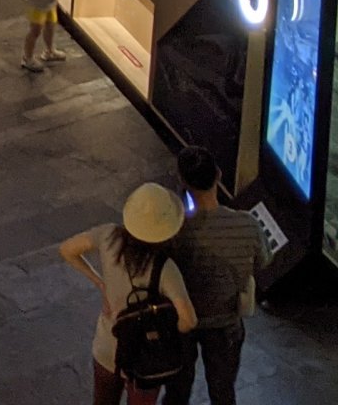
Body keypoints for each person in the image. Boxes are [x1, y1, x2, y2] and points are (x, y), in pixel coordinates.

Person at [61, 183, 199, 405]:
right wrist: (170, 331)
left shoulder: (108, 236)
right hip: (147, 357)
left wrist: (99, 282)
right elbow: (189, 320)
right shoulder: (165, 268)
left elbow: (67, 249)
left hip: (107, 347)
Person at [163, 146, 268, 403]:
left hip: (182, 321)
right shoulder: (247, 224)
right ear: (219, 175)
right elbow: (263, 262)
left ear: (183, 183)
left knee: (177, 391)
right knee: (222, 391)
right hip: (226, 324)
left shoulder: (175, 231)